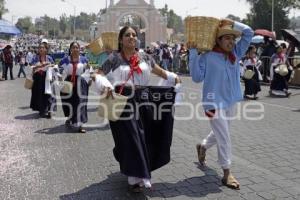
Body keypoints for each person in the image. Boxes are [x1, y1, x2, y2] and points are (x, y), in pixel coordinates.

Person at [93, 26, 181, 193]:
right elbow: (98, 74)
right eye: (127, 35)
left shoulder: (146, 57)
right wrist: (105, 85)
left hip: (144, 101)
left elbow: (161, 72)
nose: (132, 37)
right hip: (123, 102)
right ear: (121, 40)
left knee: (144, 138)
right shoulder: (114, 58)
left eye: (134, 35)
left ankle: (123, 155)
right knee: (133, 138)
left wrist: (173, 77)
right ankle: (135, 178)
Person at [188, 19, 253, 190]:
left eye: (233, 38)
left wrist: (232, 22)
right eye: (226, 38)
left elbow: (249, 33)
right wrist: (193, 52)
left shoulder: (236, 53)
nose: (231, 41)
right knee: (224, 135)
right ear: (218, 40)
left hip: (231, 101)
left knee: (220, 132)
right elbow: (196, 77)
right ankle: (226, 173)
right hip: (212, 103)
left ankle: (203, 145)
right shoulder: (207, 56)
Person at [59, 42, 91, 133]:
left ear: (79, 49)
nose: (75, 49)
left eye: (77, 47)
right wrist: (59, 76)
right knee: (68, 101)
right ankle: (69, 118)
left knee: (80, 102)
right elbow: (57, 68)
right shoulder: (65, 60)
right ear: (70, 49)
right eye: (73, 47)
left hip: (81, 82)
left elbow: (89, 69)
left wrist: (89, 79)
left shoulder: (84, 59)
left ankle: (81, 125)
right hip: (68, 82)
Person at [30, 42, 56, 118]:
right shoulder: (35, 57)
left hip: (47, 78)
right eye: (40, 48)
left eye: (43, 47)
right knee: (39, 94)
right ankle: (41, 109)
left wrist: (49, 64)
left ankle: (50, 110)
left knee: (49, 94)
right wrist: (38, 65)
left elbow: (54, 65)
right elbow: (32, 66)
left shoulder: (49, 58)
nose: (41, 49)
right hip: (38, 78)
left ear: (46, 49)